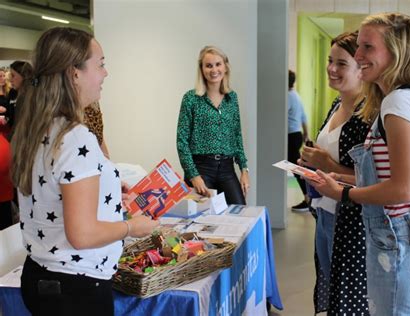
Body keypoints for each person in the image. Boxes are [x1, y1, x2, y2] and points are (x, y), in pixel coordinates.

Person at [310, 13, 410, 315]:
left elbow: (403, 189)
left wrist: (344, 194)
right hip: (399, 238)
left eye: (367, 47)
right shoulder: (406, 99)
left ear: (396, 51)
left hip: (399, 240)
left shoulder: (398, 104)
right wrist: (338, 180)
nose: (358, 55)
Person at [11, 27, 159, 315]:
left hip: (42, 276)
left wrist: (107, 190)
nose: (105, 74)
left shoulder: (39, 128)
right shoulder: (75, 137)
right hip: (75, 288)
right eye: (100, 64)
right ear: (74, 73)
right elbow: (82, 234)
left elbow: (54, 191)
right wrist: (132, 227)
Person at [300, 31, 370, 315]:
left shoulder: (369, 114)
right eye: (330, 61)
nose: (331, 68)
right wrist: (311, 162)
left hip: (352, 221)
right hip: (325, 211)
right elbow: (328, 158)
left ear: (361, 68)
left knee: (349, 295)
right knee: (330, 286)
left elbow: (373, 178)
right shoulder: (336, 105)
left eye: (341, 63)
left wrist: (327, 165)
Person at [177, 45, 249, 205]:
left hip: (227, 168)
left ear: (225, 67)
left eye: (218, 64)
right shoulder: (191, 98)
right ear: (202, 69)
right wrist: (193, 175)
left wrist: (244, 169)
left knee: (239, 213)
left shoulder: (232, 98)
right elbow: (182, 141)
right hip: (201, 168)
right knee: (202, 221)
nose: (214, 69)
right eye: (208, 65)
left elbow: (236, 135)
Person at [287, 70, 310, 212]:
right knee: (297, 167)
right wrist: (306, 134)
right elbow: (304, 117)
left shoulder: (287, 97)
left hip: (290, 136)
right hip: (297, 135)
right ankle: (308, 197)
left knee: (297, 168)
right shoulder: (296, 95)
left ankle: (308, 198)